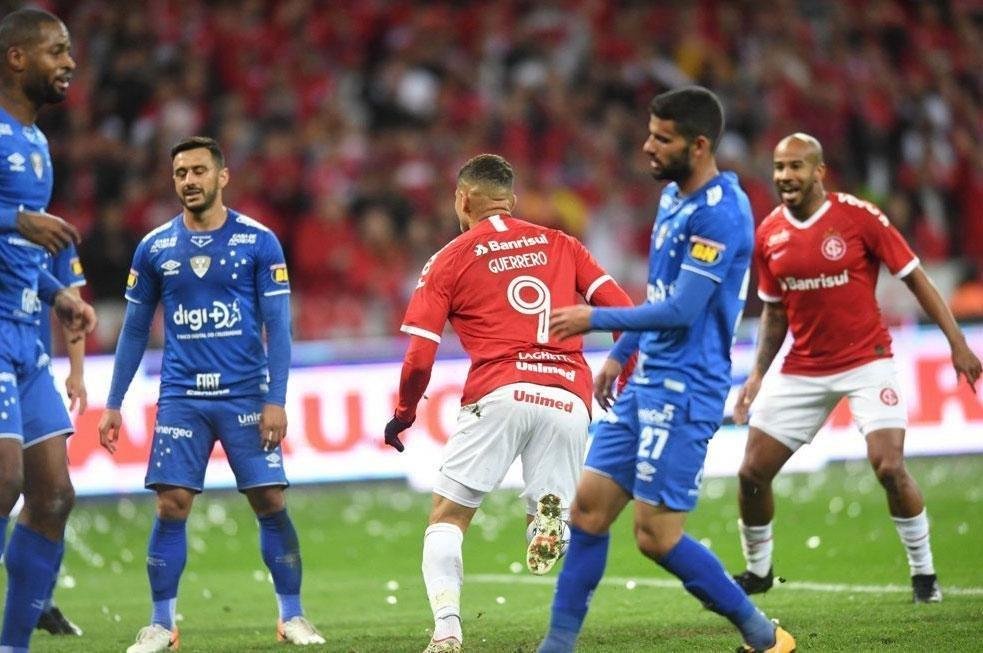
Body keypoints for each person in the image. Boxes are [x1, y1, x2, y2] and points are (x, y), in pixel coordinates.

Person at [537, 87, 795, 653]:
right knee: (586, 510)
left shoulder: (722, 215)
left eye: (662, 138)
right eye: (650, 133)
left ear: (699, 145)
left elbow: (683, 310)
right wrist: (620, 353)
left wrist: (594, 318)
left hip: (686, 389)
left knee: (655, 536)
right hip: (646, 379)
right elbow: (659, 293)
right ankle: (556, 647)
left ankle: (763, 635)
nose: (647, 146)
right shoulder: (674, 198)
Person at [383, 153, 634, 653]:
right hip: (568, 395)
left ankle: (448, 630)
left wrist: (405, 414)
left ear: (463, 199)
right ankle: (548, 518)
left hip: (499, 391)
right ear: (511, 200)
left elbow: (418, 356)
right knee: (550, 516)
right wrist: (624, 378)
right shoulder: (562, 243)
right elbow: (627, 313)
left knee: (448, 518)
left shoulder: (450, 258)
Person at [731, 132, 982, 603]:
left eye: (796, 167)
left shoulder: (859, 218)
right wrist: (759, 374)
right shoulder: (769, 234)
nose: (785, 176)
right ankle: (758, 571)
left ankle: (924, 576)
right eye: (779, 168)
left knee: (888, 467)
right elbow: (775, 311)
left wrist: (957, 342)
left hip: (867, 361)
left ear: (819, 171)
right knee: (750, 474)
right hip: (803, 367)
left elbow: (916, 278)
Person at [97, 136, 325, 651]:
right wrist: (113, 402)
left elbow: (279, 327)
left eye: (199, 170)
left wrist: (277, 399)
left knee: (269, 500)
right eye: (180, 173)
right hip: (182, 397)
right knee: (171, 505)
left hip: (246, 395)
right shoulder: (154, 247)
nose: (189, 181)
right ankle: (161, 624)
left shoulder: (259, 241)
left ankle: (292, 616)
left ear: (222, 176)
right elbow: (135, 331)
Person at [0, 8, 97, 652]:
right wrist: (13, 218)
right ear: (17, 58)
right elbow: (13, 229)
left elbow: (18, 256)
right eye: (57, 51)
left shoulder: (35, 144)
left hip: (26, 337)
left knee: (54, 495)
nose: (68, 63)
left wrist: (59, 291)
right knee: (3, 479)